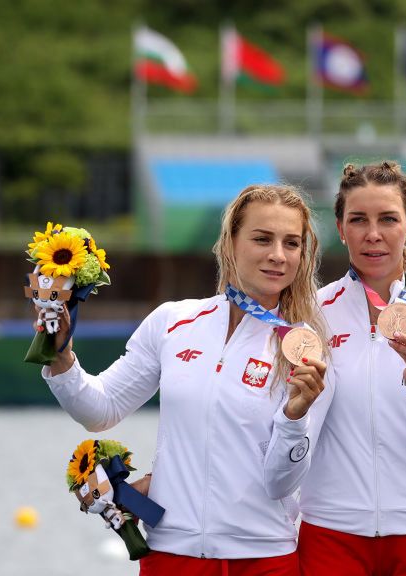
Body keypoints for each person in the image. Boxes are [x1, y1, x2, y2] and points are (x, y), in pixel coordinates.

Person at [40, 184, 329, 575]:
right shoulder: (174, 322)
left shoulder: (306, 346)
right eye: (262, 239)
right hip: (171, 554)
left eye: (291, 244)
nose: (278, 255)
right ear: (230, 243)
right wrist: (60, 354)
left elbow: (281, 483)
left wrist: (296, 416)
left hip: (264, 558)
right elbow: (100, 410)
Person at [264, 161, 406, 575]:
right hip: (331, 534)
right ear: (341, 228)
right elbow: (284, 448)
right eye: (358, 220)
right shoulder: (308, 316)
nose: (373, 234)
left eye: (388, 219)